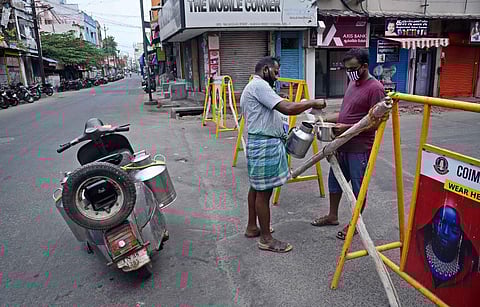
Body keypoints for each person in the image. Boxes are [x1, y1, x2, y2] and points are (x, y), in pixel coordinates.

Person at [241, 56, 326, 253]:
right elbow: (287, 108)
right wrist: (313, 102)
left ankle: (252, 227)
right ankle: (266, 239)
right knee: (264, 192)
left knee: (256, 187)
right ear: (265, 70)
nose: (278, 76)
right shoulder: (259, 86)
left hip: (262, 142)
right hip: (264, 145)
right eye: (276, 72)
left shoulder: (258, 87)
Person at [311, 48, 386, 240]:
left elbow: (375, 122)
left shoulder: (375, 88)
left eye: (353, 68)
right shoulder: (352, 83)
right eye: (346, 68)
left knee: (358, 189)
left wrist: (345, 127)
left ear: (365, 66)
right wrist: (327, 119)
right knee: (335, 182)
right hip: (341, 144)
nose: (349, 71)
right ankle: (332, 215)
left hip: (359, 148)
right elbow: (347, 112)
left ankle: (354, 223)